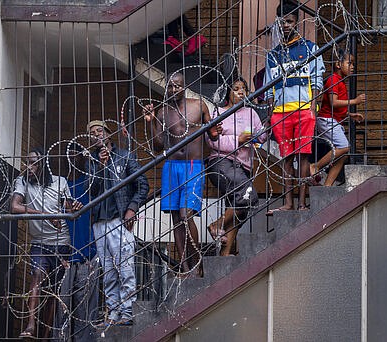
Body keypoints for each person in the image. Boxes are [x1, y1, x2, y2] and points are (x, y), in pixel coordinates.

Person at [143, 71, 222, 274]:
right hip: (171, 167)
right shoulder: (162, 112)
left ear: (184, 86)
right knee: (176, 219)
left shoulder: (198, 105)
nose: (173, 89)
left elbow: (212, 133)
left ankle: (198, 264)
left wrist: (215, 133)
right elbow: (158, 146)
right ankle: (185, 266)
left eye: (177, 85)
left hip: (193, 166)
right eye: (170, 86)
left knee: (186, 215)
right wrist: (151, 122)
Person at [11, 147, 83, 339]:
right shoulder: (23, 182)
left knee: (53, 291)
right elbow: (15, 206)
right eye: (27, 162)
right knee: (37, 276)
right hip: (39, 243)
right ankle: (31, 324)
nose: (29, 166)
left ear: (43, 164)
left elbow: (70, 211)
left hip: (61, 244)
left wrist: (75, 207)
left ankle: (45, 334)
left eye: (33, 162)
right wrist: (45, 215)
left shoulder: (60, 182)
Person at [263, 2, 325, 215]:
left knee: (303, 157)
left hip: (303, 110)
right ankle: (288, 203)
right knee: (287, 158)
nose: (285, 26)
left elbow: (317, 81)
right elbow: (268, 88)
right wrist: (269, 116)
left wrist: (313, 109)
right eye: (281, 22)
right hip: (280, 113)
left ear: (297, 22)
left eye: (289, 21)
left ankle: (301, 203)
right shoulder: (272, 55)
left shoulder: (310, 48)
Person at [86, 120, 150, 327]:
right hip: (99, 223)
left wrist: (131, 209)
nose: (97, 135)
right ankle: (113, 313)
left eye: (100, 131)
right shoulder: (91, 162)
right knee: (108, 271)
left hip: (119, 220)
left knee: (125, 268)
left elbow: (142, 184)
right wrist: (100, 166)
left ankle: (128, 310)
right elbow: (91, 191)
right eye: (93, 133)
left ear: (108, 133)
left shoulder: (125, 156)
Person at [206, 77, 267, 256]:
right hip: (222, 163)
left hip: (244, 167)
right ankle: (216, 225)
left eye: (244, 88)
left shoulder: (251, 113)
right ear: (228, 92)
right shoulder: (219, 112)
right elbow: (211, 141)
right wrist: (237, 140)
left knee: (238, 210)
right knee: (250, 198)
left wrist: (262, 132)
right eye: (236, 88)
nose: (241, 91)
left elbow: (260, 137)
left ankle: (224, 256)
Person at [54, 148, 98, 341]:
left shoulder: (89, 184)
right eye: (68, 155)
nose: (72, 158)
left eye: (75, 155)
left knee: (85, 307)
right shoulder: (61, 186)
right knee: (62, 304)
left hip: (88, 252)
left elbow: (99, 177)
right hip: (66, 253)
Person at [310, 50, 366, 185]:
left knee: (343, 154)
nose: (352, 67)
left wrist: (351, 115)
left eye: (353, 64)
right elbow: (333, 102)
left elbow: (336, 108)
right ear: (338, 64)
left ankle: (328, 184)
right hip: (326, 120)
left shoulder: (340, 82)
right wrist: (355, 101)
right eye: (349, 63)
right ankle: (316, 166)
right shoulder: (333, 79)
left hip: (332, 120)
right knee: (344, 146)